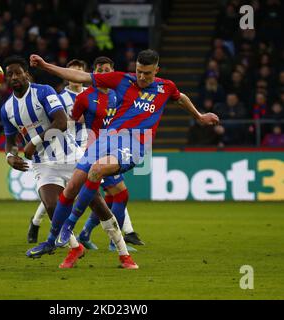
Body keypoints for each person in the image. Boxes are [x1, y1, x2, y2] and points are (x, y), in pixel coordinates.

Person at [26, 49, 219, 268]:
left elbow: (180, 98)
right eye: (139, 71)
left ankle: (71, 226)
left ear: (157, 70)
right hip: (105, 140)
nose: (142, 77)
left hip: (135, 143)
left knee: (98, 172)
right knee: (71, 187)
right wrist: (45, 66)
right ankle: (51, 241)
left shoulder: (166, 87)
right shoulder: (123, 79)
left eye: (147, 73)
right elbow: (81, 77)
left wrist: (200, 116)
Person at [0, 55, 87, 269]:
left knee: (97, 203)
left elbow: (61, 122)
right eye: (9, 74)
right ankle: (75, 247)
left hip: (70, 156)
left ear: (26, 74)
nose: (14, 77)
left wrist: (33, 143)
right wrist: (10, 157)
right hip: (43, 163)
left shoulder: (44, 91)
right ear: (5, 79)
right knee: (51, 205)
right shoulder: (6, 109)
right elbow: (10, 142)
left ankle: (121, 247)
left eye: (18, 72)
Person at [71, 56, 143, 251]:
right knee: (121, 195)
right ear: (94, 72)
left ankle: (84, 234)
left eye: (106, 70)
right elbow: (72, 120)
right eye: (99, 70)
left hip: (115, 148)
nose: (103, 73)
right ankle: (114, 242)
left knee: (111, 197)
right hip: (96, 150)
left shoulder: (117, 94)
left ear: (113, 71)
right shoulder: (86, 96)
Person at [27, 59, 88, 244]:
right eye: (72, 73)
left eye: (79, 72)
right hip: (65, 149)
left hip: (88, 145)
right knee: (64, 193)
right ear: (66, 75)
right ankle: (39, 222)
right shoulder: (60, 97)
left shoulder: (91, 94)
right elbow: (59, 121)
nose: (75, 78)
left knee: (85, 191)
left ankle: (84, 234)